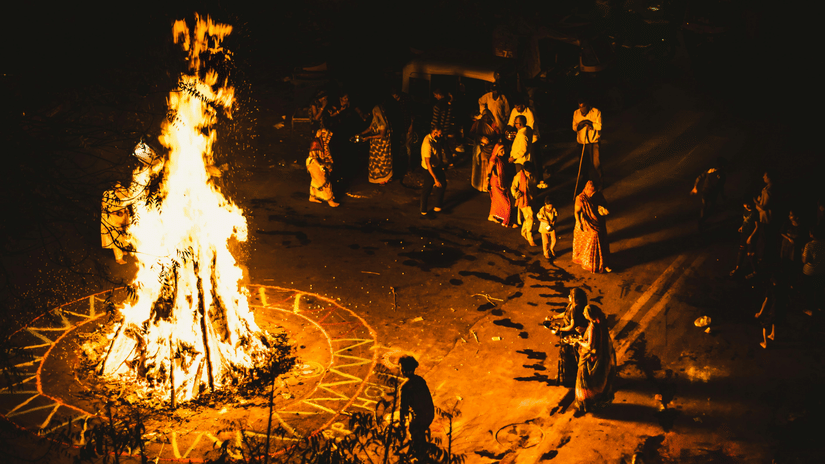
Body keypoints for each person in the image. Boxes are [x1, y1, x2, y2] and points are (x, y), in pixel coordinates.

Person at [574, 304, 616, 415]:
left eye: (585, 313)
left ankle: (587, 403)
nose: (583, 314)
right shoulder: (599, 323)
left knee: (585, 381)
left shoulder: (592, 326)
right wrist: (584, 330)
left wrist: (578, 341)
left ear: (590, 315)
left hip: (590, 358)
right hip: (600, 356)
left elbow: (590, 346)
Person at [399, 355, 434, 459]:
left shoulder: (405, 387)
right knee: (419, 429)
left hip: (421, 417)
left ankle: (420, 454)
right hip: (430, 413)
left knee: (413, 428)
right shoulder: (420, 380)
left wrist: (401, 422)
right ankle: (421, 447)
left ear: (404, 370)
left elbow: (403, 408)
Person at [573, 181, 612, 273]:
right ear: (587, 189)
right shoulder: (581, 198)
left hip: (599, 221)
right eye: (591, 191)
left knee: (602, 242)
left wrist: (603, 209)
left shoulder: (598, 195)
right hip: (587, 222)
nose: (592, 194)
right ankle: (592, 264)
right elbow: (576, 212)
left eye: (594, 191)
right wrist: (579, 222)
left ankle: (604, 263)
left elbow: (604, 204)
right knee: (594, 239)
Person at [572, 97, 603, 190]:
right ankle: (585, 184)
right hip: (581, 143)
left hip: (593, 142)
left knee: (596, 165)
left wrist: (590, 124)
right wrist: (582, 124)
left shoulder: (596, 112)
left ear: (588, 105)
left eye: (584, 107)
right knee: (583, 165)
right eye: (580, 107)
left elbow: (599, 126)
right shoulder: (576, 113)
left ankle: (598, 184)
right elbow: (574, 127)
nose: (582, 110)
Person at [690, 157, 727, 231]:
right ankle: (701, 221)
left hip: (706, 192)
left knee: (704, 206)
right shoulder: (722, 175)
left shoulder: (709, 171)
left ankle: (701, 222)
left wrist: (695, 187)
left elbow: (699, 178)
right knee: (710, 208)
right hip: (712, 193)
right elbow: (721, 187)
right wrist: (723, 196)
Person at [306, 125, 340, 208]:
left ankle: (312, 197)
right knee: (325, 182)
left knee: (315, 182)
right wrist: (320, 166)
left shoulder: (324, 143)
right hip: (314, 164)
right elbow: (313, 157)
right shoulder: (316, 143)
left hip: (318, 164)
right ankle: (330, 200)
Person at [360, 103, 393, 184]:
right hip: (375, 147)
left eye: (376, 112)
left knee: (382, 162)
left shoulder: (382, 121)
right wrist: (361, 133)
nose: (374, 114)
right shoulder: (375, 120)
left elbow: (382, 135)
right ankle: (379, 178)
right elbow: (370, 128)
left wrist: (368, 137)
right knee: (375, 162)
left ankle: (385, 178)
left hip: (382, 147)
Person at [101, 182, 133, 264]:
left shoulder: (123, 190)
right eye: (117, 188)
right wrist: (115, 213)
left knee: (123, 235)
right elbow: (104, 207)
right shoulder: (107, 194)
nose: (119, 189)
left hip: (123, 218)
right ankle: (118, 258)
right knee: (115, 237)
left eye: (120, 187)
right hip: (112, 219)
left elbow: (128, 198)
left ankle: (123, 249)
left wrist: (126, 210)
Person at [754, 274, 788, 349]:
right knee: (775, 321)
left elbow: (765, 302)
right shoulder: (783, 288)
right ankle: (773, 335)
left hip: (773, 309)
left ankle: (765, 343)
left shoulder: (771, 289)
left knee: (765, 325)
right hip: (781, 309)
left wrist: (760, 313)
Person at [508, 97, 541, 172]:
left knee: (535, 163)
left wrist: (513, 157)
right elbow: (510, 123)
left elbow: (523, 150)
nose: (516, 108)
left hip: (523, 158)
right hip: (523, 154)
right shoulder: (523, 131)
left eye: (516, 123)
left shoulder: (529, 113)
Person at [486, 135, 512, 227]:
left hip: (501, 182)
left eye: (504, 151)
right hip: (496, 183)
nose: (503, 153)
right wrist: (487, 182)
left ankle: (491, 216)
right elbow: (489, 172)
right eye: (501, 151)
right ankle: (506, 220)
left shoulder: (502, 159)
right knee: (506, 203)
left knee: (495, 200)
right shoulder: (493, 160)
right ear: (497, 151)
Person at [731, 198, 760, 279]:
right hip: (743, 234)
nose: (745, 206)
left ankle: (755, 272)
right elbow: (745, 221)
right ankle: (737, 268)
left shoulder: (755, 213)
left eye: (746, 204)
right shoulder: (745, 210)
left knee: (750, 254)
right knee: (741, 251)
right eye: (744, 204)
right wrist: (742, 227)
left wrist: (751, 237)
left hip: (750, 236)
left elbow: (757, 227)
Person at [420, 126, 446, 216]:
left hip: (436, 165)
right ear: (434, 133)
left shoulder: (436, 139)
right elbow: (428, 163)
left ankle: (438, 206)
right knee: (427, 188)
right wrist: (435, 179)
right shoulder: (427, 144)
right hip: (428, 168)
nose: (441, 135)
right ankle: (423, 211)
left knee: (443, 183)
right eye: (440, 134)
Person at [511, 161, 537, 246]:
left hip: (531, 199)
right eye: (527, 173)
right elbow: (513, 187)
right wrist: (516, 194)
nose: (529, 174)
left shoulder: (533, 175)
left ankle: (524, 231)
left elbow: (533, 185)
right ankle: (529, 236)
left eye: (530, 173)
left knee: (528, 217)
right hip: (523, 200)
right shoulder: (519, 176)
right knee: (530, 217)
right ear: (524, 170)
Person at [801, 227, 824, 314]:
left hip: (810, 271)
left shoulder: (809, 245)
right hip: (821, 270)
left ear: (812, 234)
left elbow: (805, 260)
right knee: (819, 290)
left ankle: (810, 309)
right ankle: (820, 307)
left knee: (809, 291)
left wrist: (802, 253)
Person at [471, 115, 497, 192]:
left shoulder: (493, 124)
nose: (486, 119)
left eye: (488, 118)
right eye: (485, 117)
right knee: (480, 166)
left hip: (491, 148)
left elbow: (498, 135)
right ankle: (479, 185)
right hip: (481, 149)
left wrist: (490, 141)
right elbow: (471, 134)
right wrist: (480, 138)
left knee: (490, 167)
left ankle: (489, 185)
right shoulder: (478, 123)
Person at [779, 209, 804, 279]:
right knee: (784, 259)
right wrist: (789, 238)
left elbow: (802, 237)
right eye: (789, 215)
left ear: (797, 217)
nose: (789, 216)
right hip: (786, 244)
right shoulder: (787, 223)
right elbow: (782, 232)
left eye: (791, 215)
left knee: (793, 260)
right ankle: (784, 275)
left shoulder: (801, 225)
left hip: (795, 246)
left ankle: (792, 276)